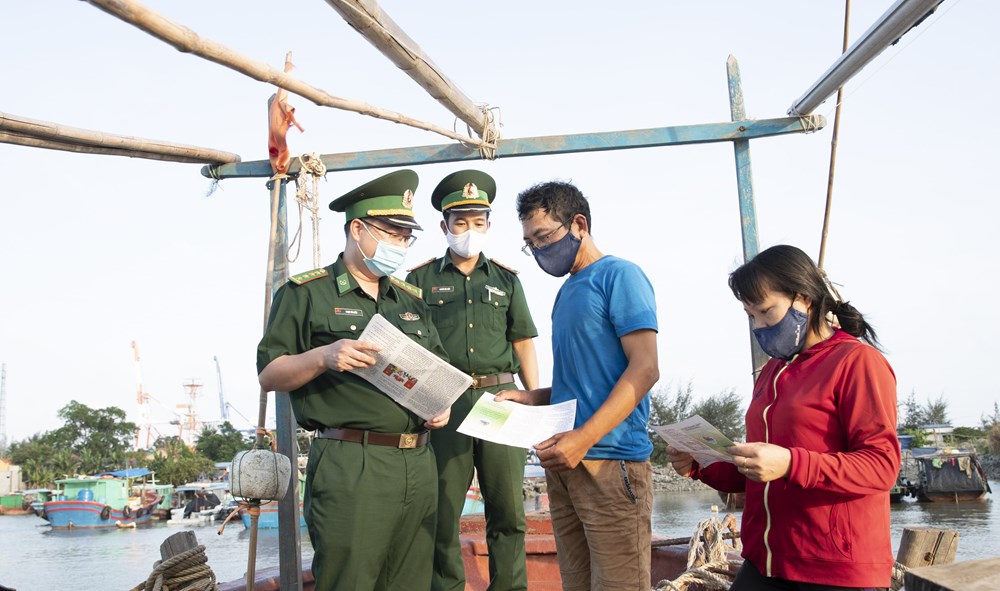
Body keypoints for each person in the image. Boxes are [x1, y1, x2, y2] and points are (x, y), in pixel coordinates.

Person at [257, 169, 451, 591]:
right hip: (352, 461)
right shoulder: (307, 293)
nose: (400, 245)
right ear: (357, 229)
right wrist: (324, 356)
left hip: (418, 461)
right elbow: (270, 375)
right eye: (392, 234)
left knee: (412, 582)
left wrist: (442, 404)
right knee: (350, 581)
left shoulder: (410, 299)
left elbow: (438, 367)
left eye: (406, 237)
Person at [667, 244, 899, 590]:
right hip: (765, 560)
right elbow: (759, 471)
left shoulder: (857, 362)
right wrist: (700, 464)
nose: (759, 326)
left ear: (803, 299)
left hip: (834, 567)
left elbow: (882, 466)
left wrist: (791, 463)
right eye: (751, 316)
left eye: (766, 312)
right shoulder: (771, 371)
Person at [497, 180, 660, 591]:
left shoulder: (620, 276)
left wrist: (584, 438)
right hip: (564, 463)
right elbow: (579, 383)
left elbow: (645, 369)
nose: (538, 249)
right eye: (530, 243)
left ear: (579, 224)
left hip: (610, 462)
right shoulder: (566, 292)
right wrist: (529, 398)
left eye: (544, 237)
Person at [406, 170, 540, 591]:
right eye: (460, 222)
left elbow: (523, 344)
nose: (469, 230)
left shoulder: (506, 279)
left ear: (488, 225)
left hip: (501, 399)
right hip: (445, 401)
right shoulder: (419, 280)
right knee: (442, 509)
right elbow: (409, 348)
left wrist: (535, 400)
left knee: (508, 510)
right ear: (444, 226)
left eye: (478, 222)